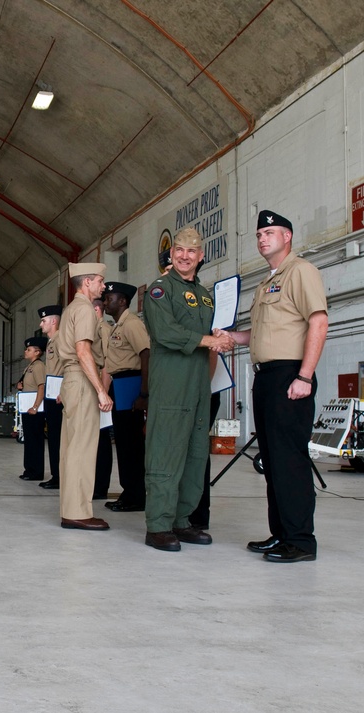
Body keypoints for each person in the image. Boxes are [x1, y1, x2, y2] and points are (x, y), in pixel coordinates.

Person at [224, 210, 328, 562]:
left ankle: (300, 541)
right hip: (265, 377)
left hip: (289, 376)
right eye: (259, 234)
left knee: (290, 460)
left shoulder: (301, 272)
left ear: (287, 237)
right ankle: (281, 533)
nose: (262, 238)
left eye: (270, 232)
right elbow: (260, 333)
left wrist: (305, 376)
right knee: (271, 459)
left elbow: (318, 321)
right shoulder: (267, 281)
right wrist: (230, 338)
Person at [142, 228, 232, 552]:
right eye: (178, 250)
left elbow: (205, 333)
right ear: (172, 254)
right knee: (166, 453)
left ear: (201, 255)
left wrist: (219, 335)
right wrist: (209, 340)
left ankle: (181, 521)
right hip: (171, 385)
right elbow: (166, 332)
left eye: (191, 251)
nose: (184, 255)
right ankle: (158, 526)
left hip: (198, 386)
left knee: (195, 455)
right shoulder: (159, 290)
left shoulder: (206, 295)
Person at [54, 263, 113, 530]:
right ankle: (77, 512)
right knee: (82, 447)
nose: (104, 286)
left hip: (72, 379)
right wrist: (101, 390)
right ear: (87, 282)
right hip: (82, 379)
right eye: (101, 281)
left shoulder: (71, 309)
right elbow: (83, 352)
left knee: (72, 446)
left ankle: (72, 508)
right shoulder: (86, 310)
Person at [102, 281, 150, 512]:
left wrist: (143, 393)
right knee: (122, 441)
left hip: (131, 383)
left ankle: (136, 495)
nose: (104, 302)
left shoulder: (131, 324)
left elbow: (146, 355)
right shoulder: (117, 325)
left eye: (109, 298)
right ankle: (129, 491)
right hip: (120, 384)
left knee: (131, 443)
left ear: (122, 301)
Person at [37, 305, 63, 490]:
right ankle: (56, 474)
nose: (41, 324)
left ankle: (60, 475)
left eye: (44, 320)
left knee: (59, 438)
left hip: (59, 395)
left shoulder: (61, 339)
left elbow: (70, 365)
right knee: (53, 437)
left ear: (54, 321)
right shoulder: (51, 342)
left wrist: (64, 390)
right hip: (51, 393)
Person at [17, 337, 48, 481]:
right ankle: (29, 469)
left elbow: (41, 387)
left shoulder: (39, 366)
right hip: (27, 408)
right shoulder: (29, 366)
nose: (26, 351)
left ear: (37, 352)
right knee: (29, 440)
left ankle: (36, 471)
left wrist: (35, 406)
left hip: (34, 410)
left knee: (35, 441)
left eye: (28, 349)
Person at [92, 298, 114, 501]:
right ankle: (94, 484)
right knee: (93, 439)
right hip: (94, 388)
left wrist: (104, 392)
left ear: (96, 309)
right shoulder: (92, 329)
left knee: (101, 440)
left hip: (102, 389)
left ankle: (100, 487)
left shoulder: (103, 329)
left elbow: (108, 361)